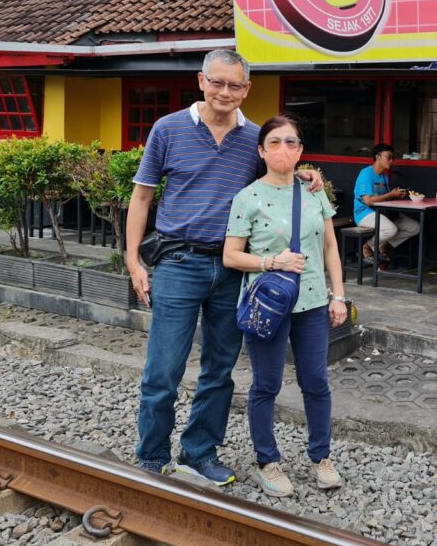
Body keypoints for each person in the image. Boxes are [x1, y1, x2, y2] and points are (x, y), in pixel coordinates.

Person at [126, 49, 321, 485]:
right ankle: (152, 457)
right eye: (217, 82)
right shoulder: (168, 129)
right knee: (163, 370)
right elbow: (141, 197)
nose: (225, 92)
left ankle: (199, 453)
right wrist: (133, 260)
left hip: (235, 269)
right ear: (201, 81)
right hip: (177, 262)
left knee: (220, 371)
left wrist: (308, 173)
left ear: (246, 89)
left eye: (235, 85)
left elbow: (277, 172)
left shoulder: (254, 138)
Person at [223, 115, 348, 497]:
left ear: (300, 151)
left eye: (291, 142)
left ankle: (321, 457)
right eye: (274, 142)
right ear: (261, 151)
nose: (283, 149)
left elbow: (329, 246)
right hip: (268, 306)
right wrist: (271, 262)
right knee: (267, 384)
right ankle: (267, 460)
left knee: (316, 382)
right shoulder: (248, 198)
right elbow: (231, 256)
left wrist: (338, 295)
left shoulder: (313, 191)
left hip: (311, 303)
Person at [353, 143, 420, 265]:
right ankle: (367, 246)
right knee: (390, 229)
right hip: (364, 213)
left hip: (383, 213)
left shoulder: (384, 176)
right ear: (378, 157)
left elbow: (384, 199)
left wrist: (396, 195)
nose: (391, 160)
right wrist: (390, 195)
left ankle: (381, 244)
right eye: (388, 157)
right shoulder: (366, 173)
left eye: (393, 157)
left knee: (414, 227)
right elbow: (368, 201)